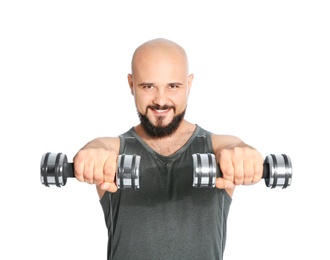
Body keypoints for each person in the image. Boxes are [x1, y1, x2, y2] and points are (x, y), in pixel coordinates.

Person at [73, 38, 264, 260]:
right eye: (148, 86)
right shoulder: (113, 153)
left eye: (173, 86)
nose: (161, 100)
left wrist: (244, 154)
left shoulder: (216, 148)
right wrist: (92, 152)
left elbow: (234, 147)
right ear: (131, 84)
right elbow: (100, 146)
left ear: (189, 84)